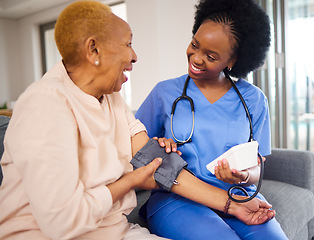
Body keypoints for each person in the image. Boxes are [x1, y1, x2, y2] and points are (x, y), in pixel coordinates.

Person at [0, 1, 277, 239]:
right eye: (128, 44)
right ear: (93, 50)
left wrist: (232, 204)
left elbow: (159, 163)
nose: (134, 56)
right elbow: (61, 222)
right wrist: (132, 180)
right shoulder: (44, 106)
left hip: (114, 230)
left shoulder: (111, 98)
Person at [135, 0, 288, 239]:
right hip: (179, 199)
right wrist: (160, 145)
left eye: (211, 55)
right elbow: (136, 149)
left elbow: (257, 165)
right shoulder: (164, 93)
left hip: (240, 194)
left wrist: (244, 176)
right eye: (194, 45)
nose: (196, 58)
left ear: (232, 61)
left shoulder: (254, 100)